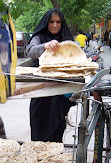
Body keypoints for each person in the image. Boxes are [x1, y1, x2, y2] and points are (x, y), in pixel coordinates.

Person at [26, 8, 74, 142]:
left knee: (57, 127)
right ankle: (39, 158)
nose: (55, 25)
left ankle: (54, 157)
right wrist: (45, 46)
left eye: (58, 22)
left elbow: (76, 56)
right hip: (40, 92)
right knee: (38, 125)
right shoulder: (39, 38)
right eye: (51, 22)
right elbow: (30, 51)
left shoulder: (66, 39)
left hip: (59, 94)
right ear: (46, 23)